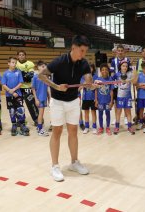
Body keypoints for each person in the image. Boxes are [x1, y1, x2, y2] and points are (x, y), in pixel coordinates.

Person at [38, 35, 95, 182]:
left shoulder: (83, 63)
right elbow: (41, 76)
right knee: (57, 131)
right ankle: (55, 166)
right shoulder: (60, 61)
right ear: (73, 47)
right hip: (57, 102)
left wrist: (91, 83)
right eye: (81, 51)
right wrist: (57, 86)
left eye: (85, 51)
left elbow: (88, 79)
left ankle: (74, 162)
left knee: (73, 131)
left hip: (74, 101)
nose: (83, 54)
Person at [2, 57, 29, 136]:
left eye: (15, 62)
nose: (14, 64)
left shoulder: (18, 72)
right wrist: (10, 91)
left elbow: (21, 83)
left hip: (18, 94)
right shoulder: (5, 73)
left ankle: (22, 124)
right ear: (8, 63)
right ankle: (14, 125)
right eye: (13, 62)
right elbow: (3, 85)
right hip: (9, 95)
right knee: (12, 110)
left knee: (21, 109)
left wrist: (13, 90)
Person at [113, 61, 138, 135]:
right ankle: (117, 126)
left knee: (128, 112)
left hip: (127, 96)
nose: (125, 67)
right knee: (118, 112)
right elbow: (111, 80)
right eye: (123, 66)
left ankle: (129, 126)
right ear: (120, 66)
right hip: (120, 96)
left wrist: (130, 79)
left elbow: (135, 81)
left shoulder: (129, 74)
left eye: (126, 66)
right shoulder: (117, 74)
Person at [110, 44, 131, 125]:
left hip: (125, 85)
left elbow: (129, 72)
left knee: (126, 102)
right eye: (119, 51)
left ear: (124, 51)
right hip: (116, 85)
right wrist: (114, 81)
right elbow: (112, 73)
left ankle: (126, 118)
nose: (120, 52)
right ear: (116, 51)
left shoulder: (127, 60)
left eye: (122, 51)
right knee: (116, 102)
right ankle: (116, 118)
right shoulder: (113, 61)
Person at [16, 50, 38, 125]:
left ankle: (37, 119)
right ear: (17, 56)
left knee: (31, 104)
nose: (21, 56)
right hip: (18, 88)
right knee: (19, 104)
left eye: (23, 55)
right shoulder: (15, 64)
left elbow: (30, 76)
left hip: (27, 87)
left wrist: (23, 75)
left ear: (25, 56)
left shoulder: (30, 63)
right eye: (20, 55)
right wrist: (24, 74)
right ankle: (21, 120)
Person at [32, 60, 50, 136]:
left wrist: (50, 98)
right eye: (42, 66)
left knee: (42, 114)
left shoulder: (46, 77)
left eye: (45, 66)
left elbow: (48, 88)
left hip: (44, 98)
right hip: (39, 98)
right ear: (38, 67)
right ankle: (40, 129)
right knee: (41, 114)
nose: (44, 68)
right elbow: (33, 89)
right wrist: (36, 99)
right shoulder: (35, 77)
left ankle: (39, 127)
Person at [94, 63, 114, 135]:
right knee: (100, 114)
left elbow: (111, 91)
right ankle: (101, 127)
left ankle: (108, 127)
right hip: (100, 101)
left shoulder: (110, 79)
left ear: (108, 71)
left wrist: (111, 101)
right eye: (102, 70)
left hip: (108, 101)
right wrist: (96, 100)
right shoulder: (97, 80)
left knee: (108, 114)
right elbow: (96, 90)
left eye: (106, 70)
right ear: (100, 71)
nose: (104, 71)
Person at [80, 64, 98, 134]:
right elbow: (82, 84)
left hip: (93, 98)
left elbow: (96, 87)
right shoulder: (83, 77)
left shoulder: (96, 76)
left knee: (93, 112)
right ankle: (87, 127)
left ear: (93, 69)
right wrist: (87, 83)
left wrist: (96, 99)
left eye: (91, 68)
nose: (89, 69)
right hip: (85, 98)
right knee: (86, 113)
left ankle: (94, 127)